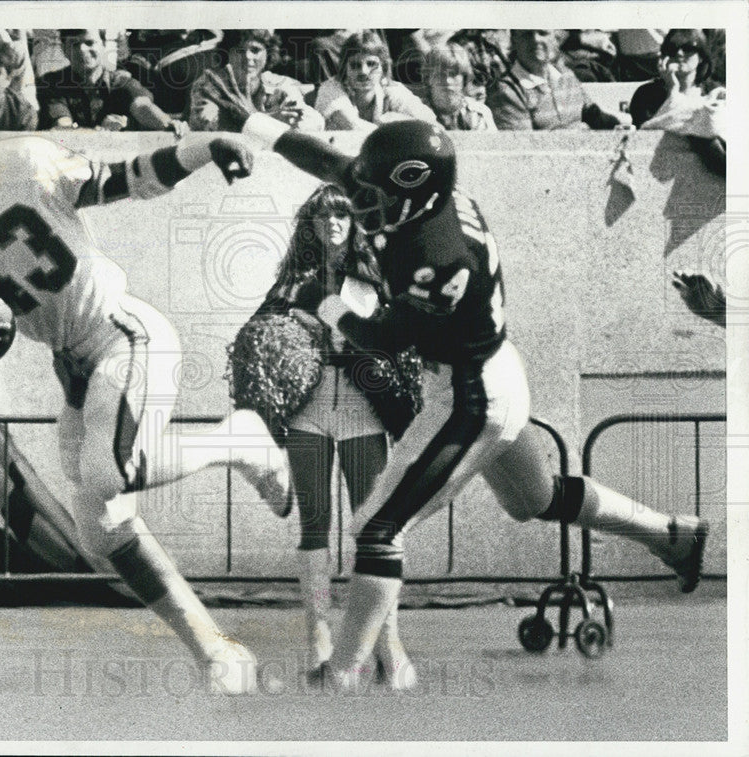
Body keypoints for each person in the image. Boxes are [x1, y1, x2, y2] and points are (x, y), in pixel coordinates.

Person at [198, 87, 711, 688]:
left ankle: (342, 672)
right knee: (534, 499)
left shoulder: (441, 254)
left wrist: (323, 303)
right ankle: (670, 534)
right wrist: (254, 123)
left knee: (376, 528)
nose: (365, 205)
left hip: (472, 395)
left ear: (416, 193)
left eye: (380, 197)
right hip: (490, 370)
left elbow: (383, 339)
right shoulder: (422, 198)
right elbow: (331, 165)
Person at [0, 121, 292, 695]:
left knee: (108, 471)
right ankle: (213, 648)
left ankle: (240, 439)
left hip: (122, 332)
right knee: (98, 527)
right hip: (72, 365)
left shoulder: (22, 163)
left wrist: (204, 147)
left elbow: (129, 179)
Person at [245, 184, 418, 688]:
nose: (333, 225)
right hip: (310, 412)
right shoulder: (293, 279)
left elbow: (399, 331)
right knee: (314, 523)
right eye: (322, 217)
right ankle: (317, 637)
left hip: (365, 410)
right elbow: (260, 329)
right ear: (310, 225)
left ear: (354, 222)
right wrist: (296, 329)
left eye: (341, 215)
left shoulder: (375, 277)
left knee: (375, 527)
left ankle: (388, 640)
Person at [37, 29, 186, 135]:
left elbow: (142, 106)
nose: (82, 49)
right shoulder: (52, 83)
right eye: (74, 44)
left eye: (89, 42)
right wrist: (99, 133)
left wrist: (168, 124)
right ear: (64, 49)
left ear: (103, 46)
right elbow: (62, 128)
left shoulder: (121, 80)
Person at [629, 29, 726, 176]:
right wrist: (672, 90)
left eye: (688, 48)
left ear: (701, 57)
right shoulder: (646, 95)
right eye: (672, 49)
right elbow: (647, 137)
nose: (679, 53)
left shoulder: (714, 92)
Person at [187, 29, 323, 132]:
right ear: (227, 53)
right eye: (239, 51)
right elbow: (207, 124)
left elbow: (315, 122)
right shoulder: (211, 83)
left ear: (268, 54)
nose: (247, 57)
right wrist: (271, 119)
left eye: (255, 50)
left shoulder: (279, 85)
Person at [486, 29, 622, 130]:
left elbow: (595, 116)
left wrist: (629, 126)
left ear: (554, 39)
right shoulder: (505, 91)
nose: (536, 40)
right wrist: (575, 132)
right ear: (514, 40)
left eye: (542, 33)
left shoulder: (566, 76)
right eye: (527, 34)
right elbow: (524, 151)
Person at [314, 30, 437, 130]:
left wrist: (397, 119)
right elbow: (352, 126)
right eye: (355, 65)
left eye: (371, 64)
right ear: (344, 69)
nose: (363, 71)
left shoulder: (391, 89)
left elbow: (429, 120)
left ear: (383, 68)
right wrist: (392, 129)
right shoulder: (331, 89)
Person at [422, 42, 497, 130]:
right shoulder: (417, 111)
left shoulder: (479, 113)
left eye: (453, 74)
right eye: (440, 75)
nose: (447, 81)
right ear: (428, 79)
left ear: (464, 79)